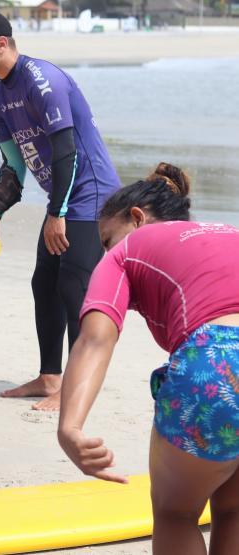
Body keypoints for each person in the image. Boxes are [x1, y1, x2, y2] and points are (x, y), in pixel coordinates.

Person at [57, 163, 239, 555]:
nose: (103, 251)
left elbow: (94, 340)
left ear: (136, 218)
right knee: (235, 510)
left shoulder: (127, 250)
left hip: (217, 361)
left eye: (105, 239)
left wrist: (69, 427)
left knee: (176, 514)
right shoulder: (230, 232)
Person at [0, 11, 120, 410]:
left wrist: (57, 212)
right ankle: (49, 378)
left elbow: (66, 152)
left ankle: (76, 389)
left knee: (74, 288)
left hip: (91, 194)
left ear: (2, 44)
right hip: (62, 199)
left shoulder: (44, 81)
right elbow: (14, 163)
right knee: (44, 284)